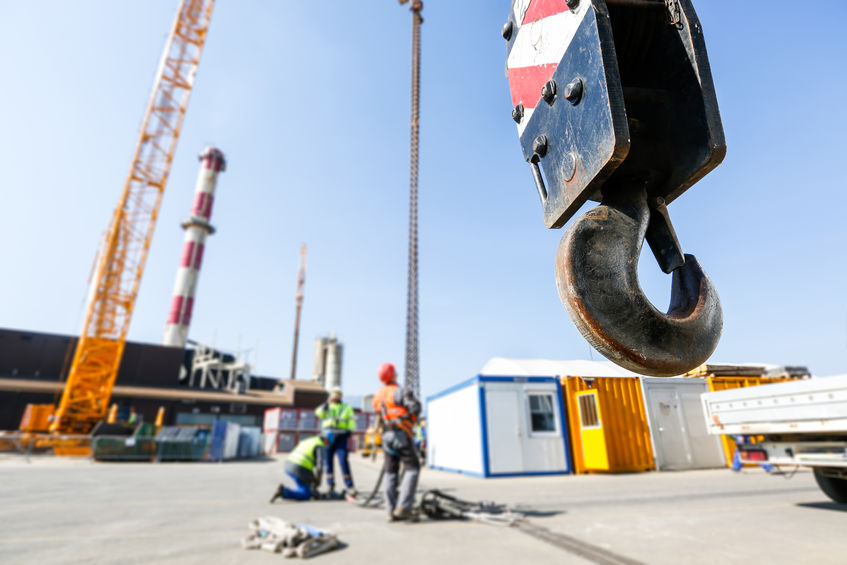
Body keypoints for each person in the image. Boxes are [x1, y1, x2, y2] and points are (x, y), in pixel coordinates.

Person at [372, 362, 421, 522]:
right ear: (392, 375)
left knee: (390, 471)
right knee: (412, 468)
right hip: (402, 435)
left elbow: (378, 414)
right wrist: (408, 417)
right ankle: (403, 507)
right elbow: (415, 407)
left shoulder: (378, 395)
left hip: (387, 437)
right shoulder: (400, 391)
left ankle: (390, 510)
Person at [315, 386, 356, 495]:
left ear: (341, 396)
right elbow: (318, 413)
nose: (335, 396)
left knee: (343, 461)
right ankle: (330, 485)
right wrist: (326, 403)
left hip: (341, 436)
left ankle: (350, 486)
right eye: (334, 393)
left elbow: (351, 421)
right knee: (328, 461)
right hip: (328, 436)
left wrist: (349, 432)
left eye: (338, 394)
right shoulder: (326, 406)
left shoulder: (346, 407)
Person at [270, 433, 330, 502]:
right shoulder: (320, 445)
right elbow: (320, 466)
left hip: (288, 465)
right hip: (299, 468)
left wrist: (313, 480)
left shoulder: (309, 440)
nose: (327, 445)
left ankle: (308, 490)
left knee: (306, 483)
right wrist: (318, 480)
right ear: (325, 439)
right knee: (306, 494)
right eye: (328, 443)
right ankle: (284, 492)